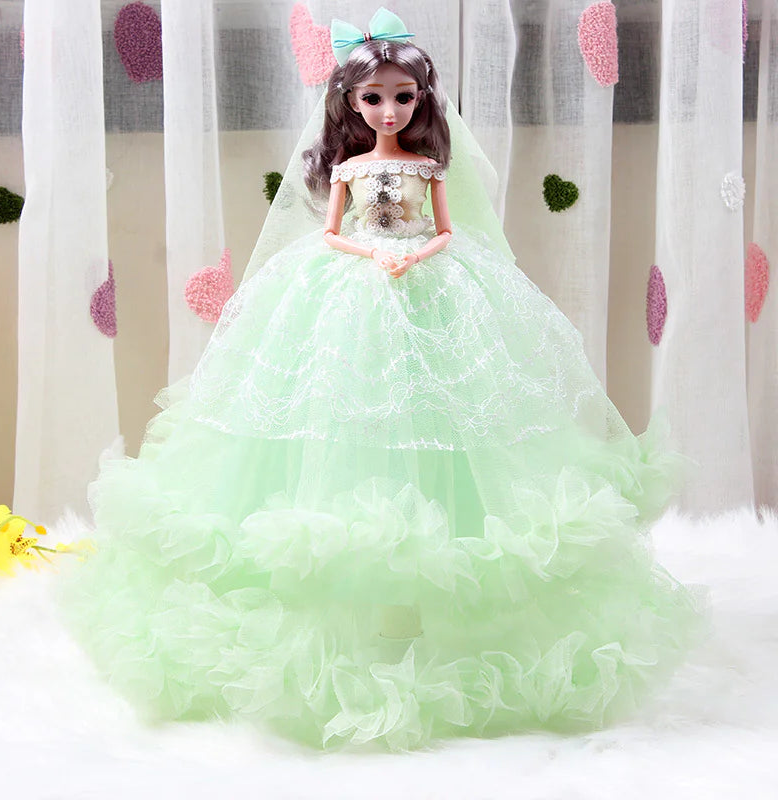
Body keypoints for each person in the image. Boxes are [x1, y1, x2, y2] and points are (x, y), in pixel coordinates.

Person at [62, 9, 704, 752]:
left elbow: (446, 230)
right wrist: (371, 254)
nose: (389, 110)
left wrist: (414, 255)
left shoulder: (430, 169)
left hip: (429, 281)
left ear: (422, 101)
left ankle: (435, 601)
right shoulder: (346, 170)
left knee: (448, 411)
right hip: (350, 284)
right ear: (350, 104)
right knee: (335, 412)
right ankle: (351, 611)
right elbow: (332, 232)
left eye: (403, 97)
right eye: (374, 98)